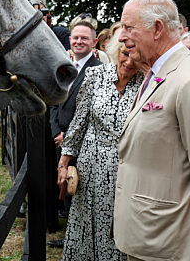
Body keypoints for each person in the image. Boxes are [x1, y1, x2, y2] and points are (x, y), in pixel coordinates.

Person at [113, 0, 190, 261]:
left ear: (157, 29)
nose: (121, 37)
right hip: (147, 236)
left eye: (128, 27)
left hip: (166, 240)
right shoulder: (157, 71)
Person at [56, 30, 143, 260]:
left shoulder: (147, 83)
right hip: (89, 168)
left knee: (118, 229)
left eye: (136, 57)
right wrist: (64, 161)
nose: (129, 61)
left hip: (126, 171)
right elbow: (79, 122)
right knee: (85, 227)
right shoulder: (95, 75)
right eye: (125, 54)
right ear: (116, 51)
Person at [47, 18, 102, 248]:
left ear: (94, 42)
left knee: (80, 191)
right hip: (60, 139)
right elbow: (53, 103)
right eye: (76, 38)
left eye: (84, 38)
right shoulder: (64, 66)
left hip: (83, 144)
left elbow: (94, 112)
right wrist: (56, 131)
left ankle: (82, 240)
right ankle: (72, 237)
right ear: (69, 40)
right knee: (66, 189)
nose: (79, 42)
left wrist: (69, 136)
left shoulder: (99, 71)